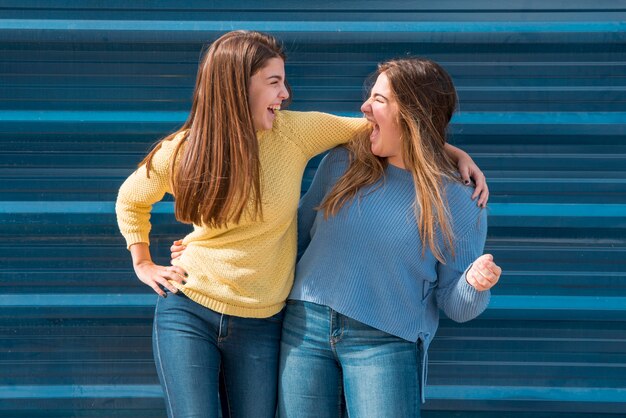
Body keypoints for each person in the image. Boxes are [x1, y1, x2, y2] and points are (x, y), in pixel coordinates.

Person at [117, 30, 488, 418]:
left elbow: (399, 130)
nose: (286, 94)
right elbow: (132, 200)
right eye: (274, 82)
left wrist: (451, 152)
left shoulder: (296, 133)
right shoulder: (189, 150)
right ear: (236, 86)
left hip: (279, 325)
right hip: (226, 312)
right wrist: (147, 261)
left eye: (283, 81)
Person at [277, 58, 502, 418]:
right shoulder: (341, 163)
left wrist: (476, 284)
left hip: (384, 342)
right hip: (304, 329)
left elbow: (455, 305)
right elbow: (291, 241)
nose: (364, 107)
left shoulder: (461, 198)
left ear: (412, 114)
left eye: (379, 100)